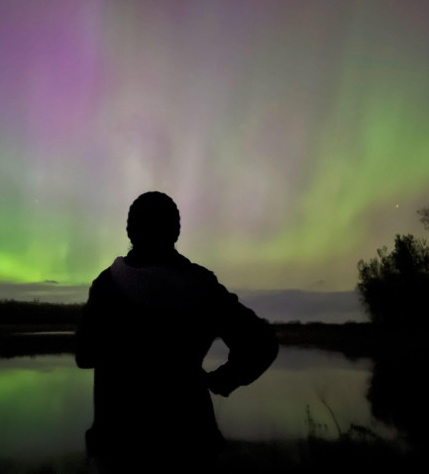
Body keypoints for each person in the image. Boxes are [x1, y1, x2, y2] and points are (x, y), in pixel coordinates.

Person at [75, 191, 279, 473]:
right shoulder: (201, 285)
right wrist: (224, 379)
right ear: (176, 231)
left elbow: (84, 355)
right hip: (190, 442)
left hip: (119, 445)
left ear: (130, 230)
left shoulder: (107, 285)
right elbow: (262, 342)